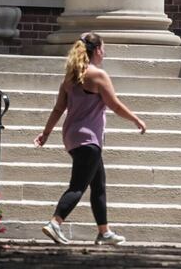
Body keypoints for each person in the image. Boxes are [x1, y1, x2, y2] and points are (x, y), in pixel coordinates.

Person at [34, 32, 147, 245]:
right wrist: (136, 119)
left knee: (99, 184)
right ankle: (55, 223)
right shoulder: (97, 75)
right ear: (96, 50)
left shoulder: (71, 76)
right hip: (89, 140)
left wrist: (46, 133)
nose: (104, 53)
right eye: (103, 48)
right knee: (77, 186)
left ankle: (104, 232)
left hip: (73, 137)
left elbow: (59, 108)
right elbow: (114, 104)